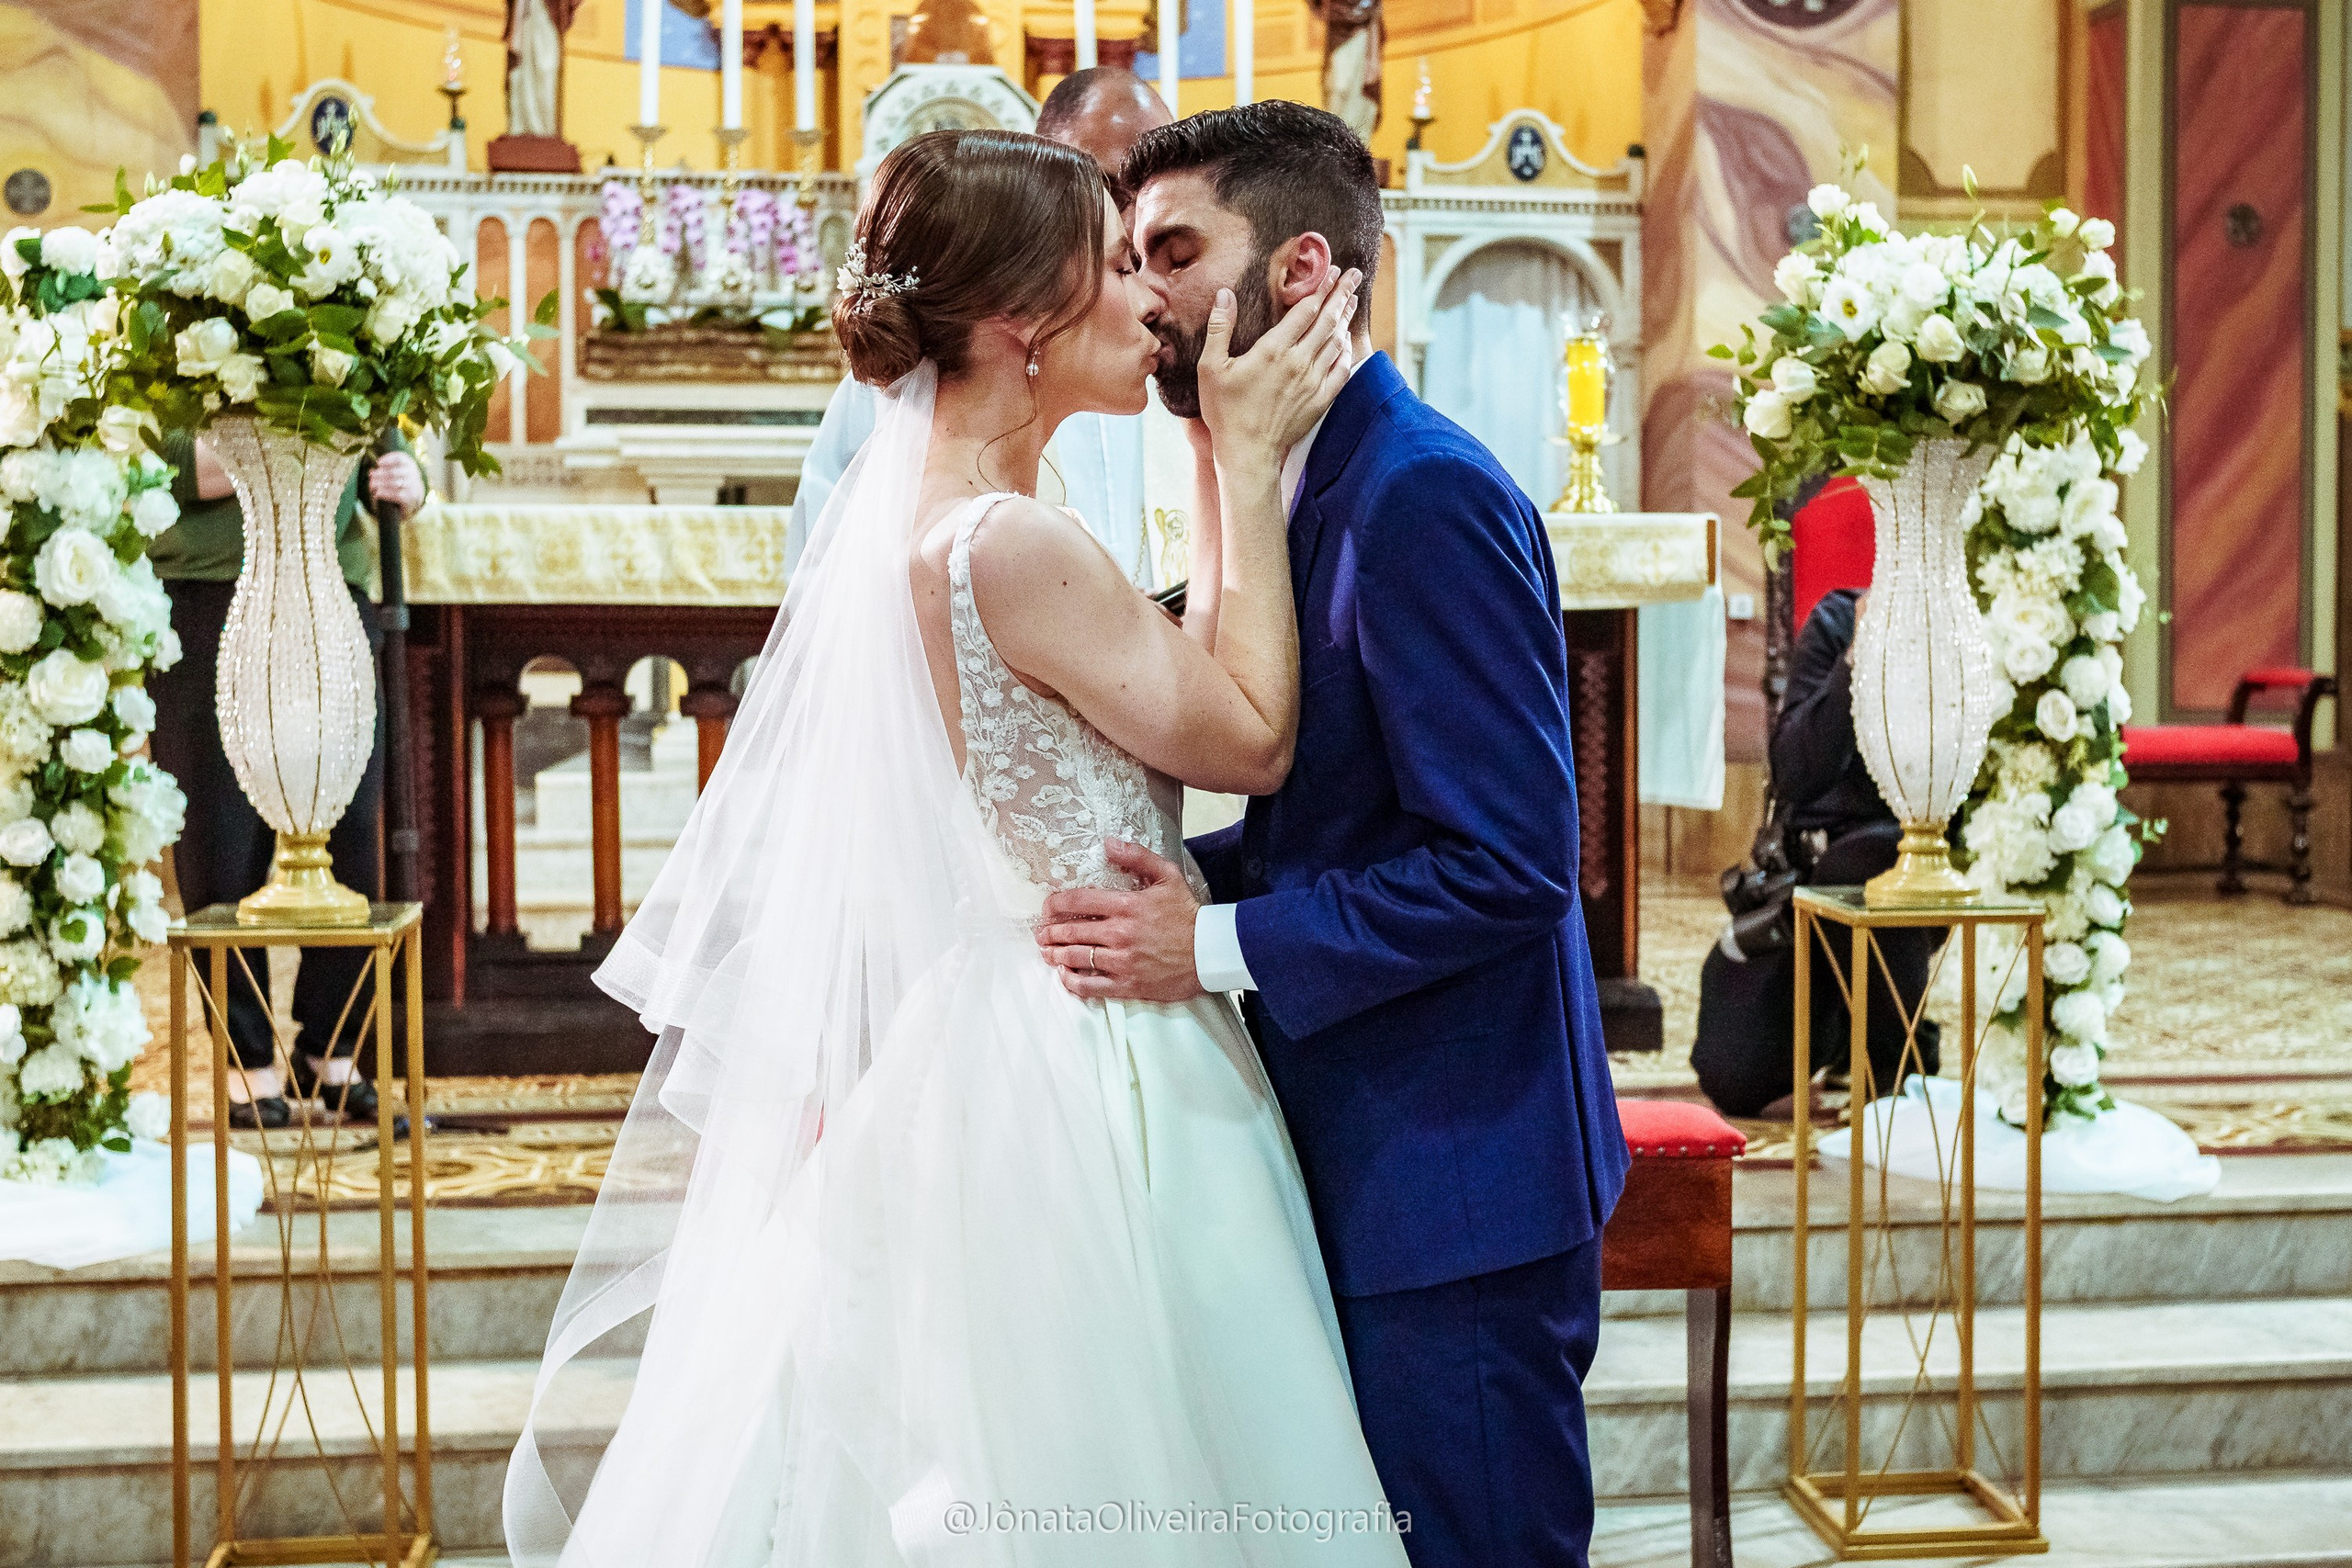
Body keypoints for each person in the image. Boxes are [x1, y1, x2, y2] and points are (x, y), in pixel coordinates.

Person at [504, 130, 1397, 1566]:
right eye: (1116, 267)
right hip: (1089, 1043)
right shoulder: (1003, 542)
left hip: (1012, 1008)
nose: (1149, 301)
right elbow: (1248, 740)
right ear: (1019, 326)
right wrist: (1240, 449)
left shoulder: (967, 519)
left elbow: (1182, 695)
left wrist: (1204, 441)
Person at [1030, 102, 1629, 1568]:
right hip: (1376, 1150)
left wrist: (1212, 939)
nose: (1141, 292)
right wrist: (1166, 878)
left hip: (1459, 1188)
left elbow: (1510, 862)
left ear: (1301, 271)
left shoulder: (1421, 491)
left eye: (1171, 250)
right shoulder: (1301, 475)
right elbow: (1344, 817)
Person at [786, 68, 1178, 587]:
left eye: (1150, 193)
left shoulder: (1174, 337)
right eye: (1105, 189)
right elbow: (824, 562)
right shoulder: (921, 368)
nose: (1129, 222)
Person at [149, 431, 424, 1130]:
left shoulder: (347, 328)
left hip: (329, 592)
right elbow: (161, 466)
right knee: (221, 840)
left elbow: (381, 440)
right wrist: (289, 444)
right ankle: (248, 1060)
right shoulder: (171, 331)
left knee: (351, 828)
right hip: (208, 591)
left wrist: (404, 477)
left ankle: (331, 1050)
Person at [1690, 587, 1945, 1118]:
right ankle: (1857, 1029)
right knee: (1732, 1079)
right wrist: (1855, 661)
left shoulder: (1963, 628)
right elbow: (1797, 774)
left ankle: (1891, 1070)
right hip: (1803, 882)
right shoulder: (1838, 618)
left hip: (1906, 865)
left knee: (1872, 858)